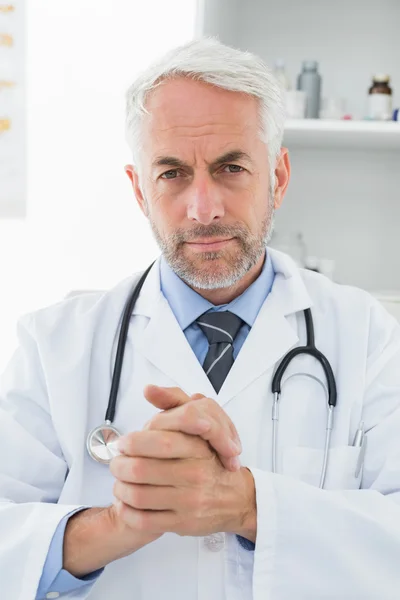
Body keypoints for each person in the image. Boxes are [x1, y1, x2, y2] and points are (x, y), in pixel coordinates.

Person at [1, 37, 400, 600]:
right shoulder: (53, 345)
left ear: (279, 178)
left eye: (231, 167)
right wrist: (120, 523)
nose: (203, 207)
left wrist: (245, 503)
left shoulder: (368, 338)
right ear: (140, 189)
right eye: (172, 174)